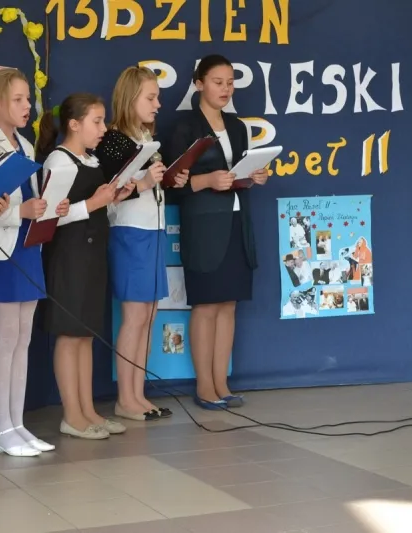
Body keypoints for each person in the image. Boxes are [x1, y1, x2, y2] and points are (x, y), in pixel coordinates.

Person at [163, 55, 269, 410]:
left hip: (236, 221)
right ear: (199, 84)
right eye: (218, 82)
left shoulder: (237, 127)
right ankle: (204, 386)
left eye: (230, 82)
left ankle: (222, 383)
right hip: (204, 226)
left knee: (228, 305)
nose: (226, 89)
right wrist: (207, 180)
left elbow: (237, 172)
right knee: (206, 305)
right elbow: (171, 185)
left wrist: (253, 176)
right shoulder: (184, 127)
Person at [0, 68, 69, 456]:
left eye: (28, 99)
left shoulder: (25, 145)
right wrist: (20, 212)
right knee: (6, 337)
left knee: (23, 340)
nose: (27, 106)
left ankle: (17, 423)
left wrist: (47, 207)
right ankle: (1, 428)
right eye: (18, 99)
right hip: (0, 250)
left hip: (28, 246)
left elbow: (27, 198)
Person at [36, 93, 135, 439]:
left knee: (85, 334)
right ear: (74, 125)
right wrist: (94, 203)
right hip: (69, 257)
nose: (103, 129)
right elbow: (48, 217)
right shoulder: (59, 161)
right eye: (97, 121)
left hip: (92, 255)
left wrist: (112, 200)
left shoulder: (91, 160)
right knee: (69, 334)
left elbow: (94, 208)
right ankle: (72, 415)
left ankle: (88, 409)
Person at [94, 66, 188, 422]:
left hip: (153, 228)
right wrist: (146, 182)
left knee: (148, 315)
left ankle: (138, 393)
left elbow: (148, 185)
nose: (157, 104)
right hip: (130, 231)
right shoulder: (113, 140)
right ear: (131, 98)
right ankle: (125, 398)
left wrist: (169, 178)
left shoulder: (146, 137)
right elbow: (111, 193)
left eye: (157, 97)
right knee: (134, 317)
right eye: (151, 97)